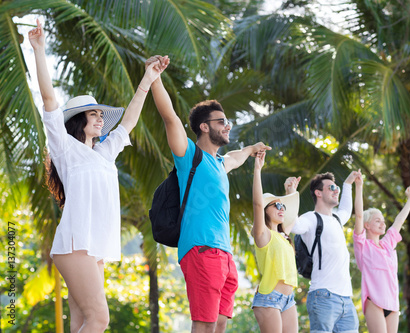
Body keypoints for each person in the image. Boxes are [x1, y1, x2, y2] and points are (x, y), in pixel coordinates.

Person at [29, 19, 167, 332]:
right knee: (99, 319)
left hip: (95, 247)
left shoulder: (104, 154)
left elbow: (129, 122)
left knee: (80, 321)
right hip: (76, 243)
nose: (101, 119)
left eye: (101, 115)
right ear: (78, 120)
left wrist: (148, 78)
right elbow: (49, 102)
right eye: (95, 114)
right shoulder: (64, 148)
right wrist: (39, 50)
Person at [146, 55, 271, 333]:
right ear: (204, 126)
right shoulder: (190, 154)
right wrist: (155, 78)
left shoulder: (219, 163)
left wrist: (252, 149)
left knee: (220, 325)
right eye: (221, 121)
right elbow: (170, 117)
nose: (228, 126)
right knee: (204, 325)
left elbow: (237, 157)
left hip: (225, 255)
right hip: (202, 250)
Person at [291, 170, 361, 333]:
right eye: (331, 187)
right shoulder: (310, 218)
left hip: (346, 299)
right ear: (318, 193)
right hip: (324, 296)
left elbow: (345, 209)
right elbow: (294, 226)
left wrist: (348, 184)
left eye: (336, 187)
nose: (336, 190)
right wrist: (292, 194)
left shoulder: (337, 219)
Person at [353, 173, 410, 333]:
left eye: (383, 220)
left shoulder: (387, 244)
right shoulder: (362, 245)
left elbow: (399, 221)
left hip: (392, 303)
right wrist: (359, 186)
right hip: (374, 301)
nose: (382, 223)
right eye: (377, 220)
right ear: (366, 225)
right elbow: (359, 214)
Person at [251, 151, 301, 332]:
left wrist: (291, 192)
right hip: (269, 298)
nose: (282, 209)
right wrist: (257, 169)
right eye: (277, 205)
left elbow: (292, 216)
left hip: (288, 299)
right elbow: (257, 204)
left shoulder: (283, 235)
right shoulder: (263, 234)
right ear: (266, 209)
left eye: (283, 206)